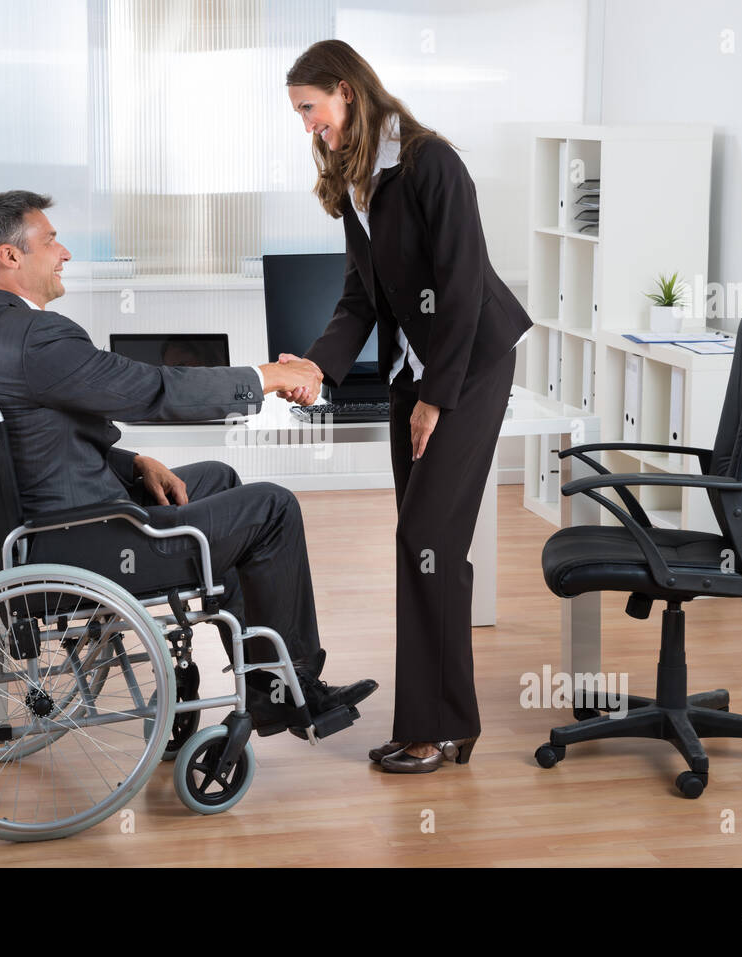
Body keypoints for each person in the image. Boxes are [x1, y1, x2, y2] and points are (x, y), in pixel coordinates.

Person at [0, 189, 377, 737]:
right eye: (50, 240)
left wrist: (135, 461)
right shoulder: (38, 336)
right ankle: (291, 687)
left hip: (35, 531)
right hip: (88, 542)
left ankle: (273, 684)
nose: (65, 253)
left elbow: (33, 439)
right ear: (11, 256)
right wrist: (264, 377)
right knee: (272, 506)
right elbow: (152, 389)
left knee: (217, 480)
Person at [282, 40, 532, 772]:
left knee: (425, 535)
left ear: (345, 91)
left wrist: (435, 399)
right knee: (428, 547)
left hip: (469, 364)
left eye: (309, 109)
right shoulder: (358, 176)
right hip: (411, 369)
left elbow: (457, 291)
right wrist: (316, 367)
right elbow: (362, 297)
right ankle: (440, 719)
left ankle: (435, 725)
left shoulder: (430, 163)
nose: (307, 127)